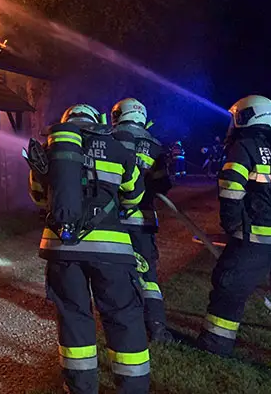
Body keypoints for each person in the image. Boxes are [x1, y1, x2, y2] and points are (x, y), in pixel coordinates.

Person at [28, 103, 150, 394]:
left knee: (73, 317)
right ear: (98, 122)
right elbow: (135, 196)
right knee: (122, 316)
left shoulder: (49, 149)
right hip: (112, 251)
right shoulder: (118, 148)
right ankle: (132, 387)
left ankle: (81, 387)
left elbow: (39, 198)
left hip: (62, 249)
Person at [197, 95, 271, 357]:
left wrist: (232, 225)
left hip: (256, 237)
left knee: (229, 286)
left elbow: (231, 187)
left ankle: (215, 344)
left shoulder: (244, 146)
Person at [111, 98, 175, 343]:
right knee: (147, 276)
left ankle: (122, 323)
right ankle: (157, 327)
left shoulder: (109, 138)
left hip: (112, 220)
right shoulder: (155, 146)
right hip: (143, 221)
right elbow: (164, 185)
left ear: (117, 115)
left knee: (113, 273)